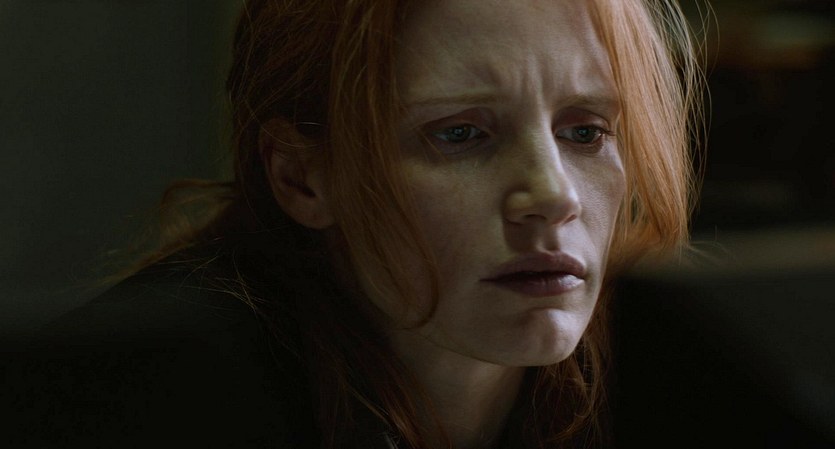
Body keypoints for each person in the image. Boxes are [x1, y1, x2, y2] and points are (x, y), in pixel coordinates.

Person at [8, 0, 704, 448]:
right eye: (459, 134)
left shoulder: (674, 371)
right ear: (301, 178)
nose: (553, 196)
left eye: (586, 132)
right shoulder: (143, 401)